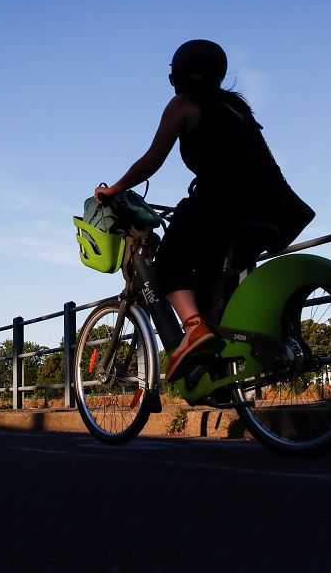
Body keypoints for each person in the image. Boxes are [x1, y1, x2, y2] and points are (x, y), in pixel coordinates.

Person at [95, 39, 313, 382]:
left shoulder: (183, 105)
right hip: (276, 207)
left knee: (168, 263)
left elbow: (152, 160)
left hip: (224, 202)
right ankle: (224, 363)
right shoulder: (234, 106)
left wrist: (114, 189)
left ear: (177, 75)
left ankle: (194, 329)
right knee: (215, 280)